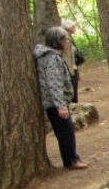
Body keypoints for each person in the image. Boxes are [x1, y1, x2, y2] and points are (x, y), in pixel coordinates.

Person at [34, 26, 88, 170]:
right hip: (55, 103)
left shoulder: (50, 56)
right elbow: (54, 83)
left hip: (56, 102)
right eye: (65, 39)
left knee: (65, 130)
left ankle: (70, 159)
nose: (68, 41)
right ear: (58, 41)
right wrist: (61, 106)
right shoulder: (51, 58)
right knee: (66, 130)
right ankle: (71, 160)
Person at [61, 19, 85, 103]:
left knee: (74, 86)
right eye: (73, 26)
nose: (75, 28)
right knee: (71, 88)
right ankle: (73, 106)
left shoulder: (69, 37)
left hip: (73, 67)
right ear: (68, 28)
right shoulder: (65, 38)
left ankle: (74, 105)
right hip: (68, 68)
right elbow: (68, 55)